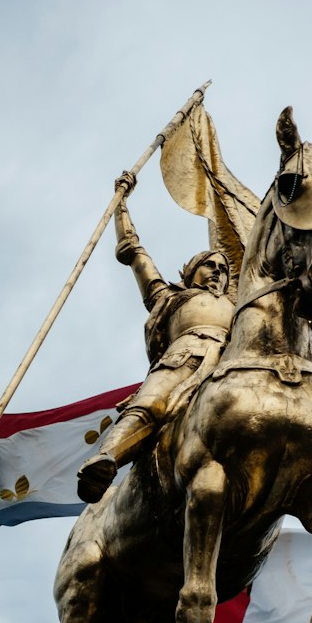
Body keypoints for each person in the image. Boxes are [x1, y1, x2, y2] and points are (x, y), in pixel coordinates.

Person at [77, 173, 234, 502]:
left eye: (223, 268)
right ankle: (106, 460)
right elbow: (133, 251)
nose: (218, 271)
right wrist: (120, 205)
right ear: (190, 271)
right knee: (152, 404)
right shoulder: (169, 297)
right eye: (210, 265)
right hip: (184, 356)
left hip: (232, 364)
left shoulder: (239, 307)